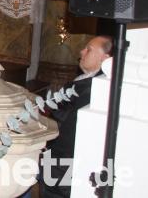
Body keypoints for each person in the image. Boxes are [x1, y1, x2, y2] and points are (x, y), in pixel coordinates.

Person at [39, 36, 112, 198]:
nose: (82, 51)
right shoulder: (89, 80)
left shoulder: (92, 89)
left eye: (89, 49)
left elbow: (65, 126)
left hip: (63, 161)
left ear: (105, 59)